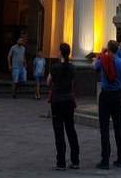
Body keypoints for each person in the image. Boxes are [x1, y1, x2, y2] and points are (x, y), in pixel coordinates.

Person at [94, 39, 121, 170]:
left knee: (104, 128)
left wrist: (101, 55)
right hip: (117, 96)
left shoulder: (103, 60)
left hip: (106, 96)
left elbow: (94, 67)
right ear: (117, 49)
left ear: (108, 49)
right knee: (118, 127)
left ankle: (105, 160)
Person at [47, 42, 80, 171]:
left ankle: (61, 162)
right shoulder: (72, 67)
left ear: (60, 52)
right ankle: (75, 160)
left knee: (59, 131)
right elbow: (73, 82)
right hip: (68, 101)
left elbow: (49, 81)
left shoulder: (55, 67)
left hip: (57, 101)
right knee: (71, 130)